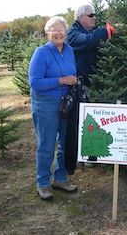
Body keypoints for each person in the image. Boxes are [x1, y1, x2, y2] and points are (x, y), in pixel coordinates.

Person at [29, 16, 78, 201]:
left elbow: (73, 71)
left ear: (66, 32)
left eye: (61, 29)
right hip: (45, 104)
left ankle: (61, 178)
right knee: (47, 145)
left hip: (66, 103)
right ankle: (42, 183)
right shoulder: (41, 53)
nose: (58, 32)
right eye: (53, 29)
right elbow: (35, 83)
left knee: (66, 142)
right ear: (47, 33)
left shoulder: (70, 50)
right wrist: (62, 80)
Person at [66, 4, 117, 166]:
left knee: (94, 117)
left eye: (95, 15)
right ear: (80, 17)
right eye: (91, 15)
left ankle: (94, 152)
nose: (95, 17)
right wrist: (106, 31)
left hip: (94, 82)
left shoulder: (88, 32)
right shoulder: (73, 35)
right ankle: (85, 156)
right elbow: (88, 41)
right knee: (83, 119)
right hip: (80, 85)